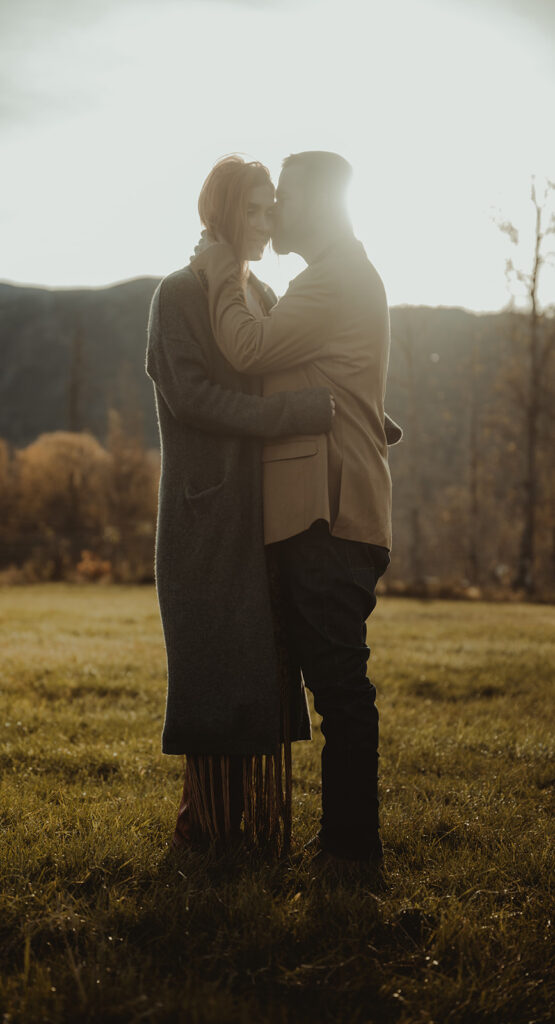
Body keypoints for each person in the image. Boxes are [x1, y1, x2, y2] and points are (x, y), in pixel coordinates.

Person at [191, 151, 396, 864]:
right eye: (265, 200)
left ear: (318, 203)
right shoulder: (336, 279)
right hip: (334, 509)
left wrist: (219, 267)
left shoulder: (333, 279)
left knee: (339, 686)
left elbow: (246, 350)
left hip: (326, 514)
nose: (274, 211)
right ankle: (343, 843)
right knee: (334, 683)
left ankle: (350, 853)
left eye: (284, 197)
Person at [145, 156, 336, 852]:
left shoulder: (260, 293)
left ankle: (257, 834)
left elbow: (292, 365)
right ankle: (212, 834)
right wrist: (297, 415)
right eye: (254, 210)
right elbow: (193, 399)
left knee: (264, 671)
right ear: (224, 214)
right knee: (217, 675)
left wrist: (360, 415)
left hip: (262, 515)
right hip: (204, 521)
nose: (267, 222)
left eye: (270, 208)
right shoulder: (177, 295)